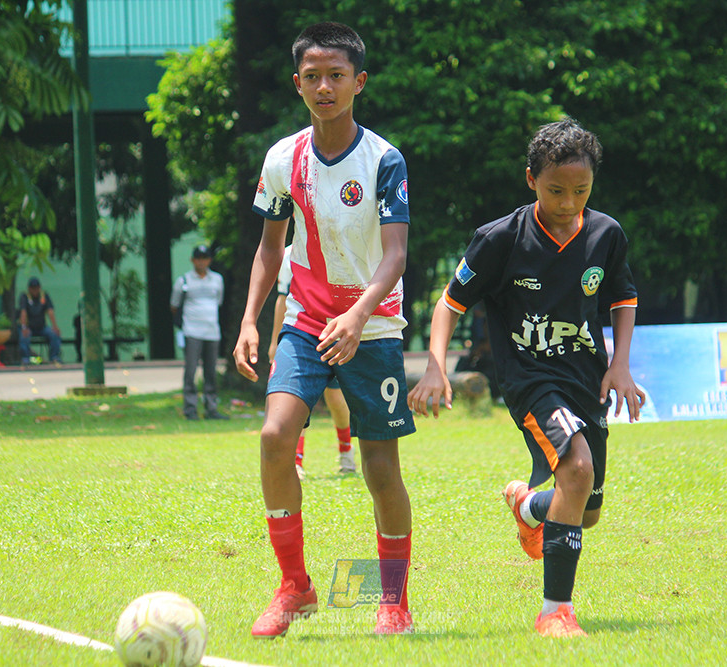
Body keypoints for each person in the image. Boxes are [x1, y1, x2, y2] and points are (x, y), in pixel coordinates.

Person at [408, 118, 645, 638]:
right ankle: (555, 612)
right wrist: (435, 366)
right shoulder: (500, 239)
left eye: (580, 191)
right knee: (577, 468)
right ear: (531, 179)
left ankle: (528, 504)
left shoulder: (606, 234)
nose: (568, 202)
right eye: (556, 190)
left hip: (586, 382)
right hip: (530, 380)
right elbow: (450, 304)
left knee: (584, 510)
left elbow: (623, 298)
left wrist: (619, 363)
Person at [233, 22, 415, 638]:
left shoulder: (384, 160)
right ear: (298, 84)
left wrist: (359, 314)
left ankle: (393, 602)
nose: (324, 86)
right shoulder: (283, 159)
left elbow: (395, 257)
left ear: (358, 82)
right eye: (312, 76)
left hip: (374, 326)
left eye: (336, 75)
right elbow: (268, 248)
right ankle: (295, 587)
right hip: (307, 322)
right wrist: (250, 322)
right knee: (275, 434)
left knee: (380, 470)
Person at [269, 244, 356, 478]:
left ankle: (346, 453)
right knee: (296, 398)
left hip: (336, 333)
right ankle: (296, 461)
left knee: (336, 400)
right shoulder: (288, 254)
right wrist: (275, 341)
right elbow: (282, 299)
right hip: (302, 335)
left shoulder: (342, 245)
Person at [171, 244, 228, 421]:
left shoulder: (217, 280)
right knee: (191, 371)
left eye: (205, 258)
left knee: (211, 372)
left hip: (212, 331)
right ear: (192, 260)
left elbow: (219, 302)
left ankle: (211, 409)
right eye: (198, 258)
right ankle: (190, 409)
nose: (201, 262)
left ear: (209, 260)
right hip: (192, 331)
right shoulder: (184, 281)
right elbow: (174, 306)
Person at [18, 277, 62, 365]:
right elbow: (23, 312)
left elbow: (50, 311)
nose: (35, 290)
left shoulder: (44, 296)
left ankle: (54, 357)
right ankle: (26, 358)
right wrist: (24, 327)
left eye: (37, 288)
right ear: (29, 289)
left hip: (42, 327)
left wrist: (55, 326)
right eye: (33, 288)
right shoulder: (24, 297)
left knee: (54, 334)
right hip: (29, 327)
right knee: (24, 336)